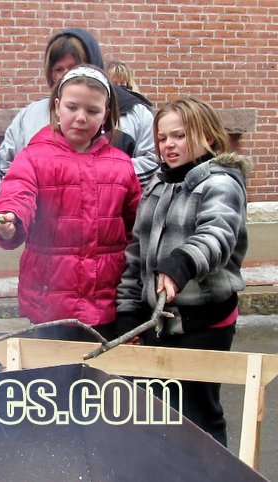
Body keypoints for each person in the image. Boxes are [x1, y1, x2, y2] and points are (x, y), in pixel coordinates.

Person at [115, 97, 252, 446]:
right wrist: (128, 313)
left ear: (207, 135)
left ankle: (213, 469)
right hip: (157, 321)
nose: (169, 145)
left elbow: (217, 234)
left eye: (179, 136)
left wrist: (182, 262)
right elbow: (136, 255)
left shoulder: (221, 183)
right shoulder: (157, 185)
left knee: (198, 415)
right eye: (162, 138)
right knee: (157, 411)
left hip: (204, 321)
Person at [0, 65, 141, 341]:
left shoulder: (121, 165)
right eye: (72, 107)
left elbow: (136, 228)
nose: (81, 118)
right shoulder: (33, 157)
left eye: (92, 111)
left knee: (101, 368)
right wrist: (11, 218)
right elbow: (18, 192)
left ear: (105, 114)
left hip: (106, 302)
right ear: (57, 107)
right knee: (51, 368)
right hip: (49, 302)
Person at [0, 27, 158, 193]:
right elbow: (3, 167)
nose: (65, 75)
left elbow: (154, 164)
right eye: (58, 69)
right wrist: (24, 200)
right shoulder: (31, 115)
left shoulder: (134, 114)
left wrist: (98, 180)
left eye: (74, 66)